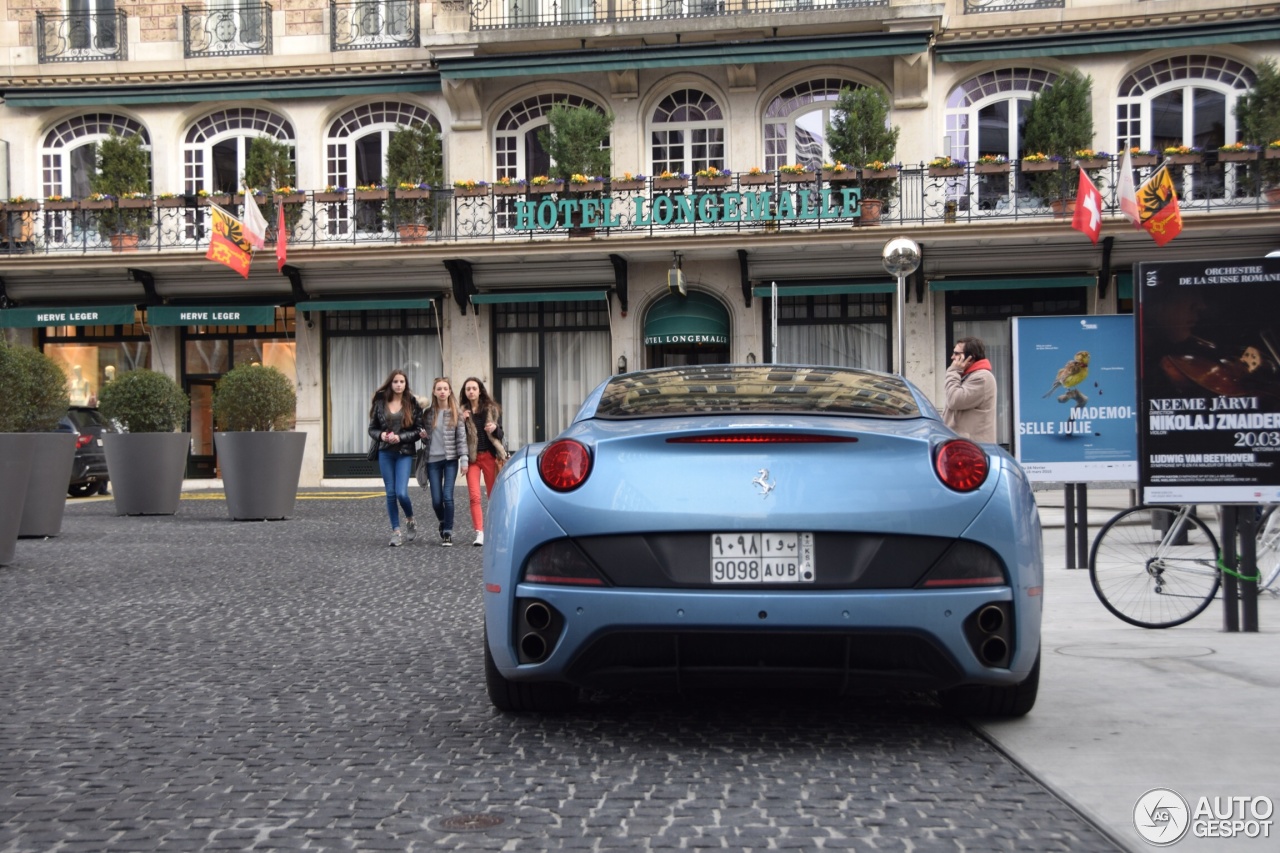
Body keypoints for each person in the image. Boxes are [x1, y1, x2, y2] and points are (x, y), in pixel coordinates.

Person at [368, 369, 425, 547]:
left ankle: (410, 519)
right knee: (391, 494)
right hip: (385, 452)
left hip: (404, 453)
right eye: (395, 382)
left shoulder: (412, 403)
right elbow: (372, 429)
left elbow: (418, 430)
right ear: (390, 384)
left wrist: (401, 437)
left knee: (401, 492)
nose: (399, 385)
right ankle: (396, 531)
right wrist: (383, 436)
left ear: (405, 384)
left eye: (402, 382)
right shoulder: (380, 403)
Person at [423, 377, 469, 546]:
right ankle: (442, 520)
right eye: (439, 389)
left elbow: (461, 438)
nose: (442, 391)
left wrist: (464, 460)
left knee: (447, 497)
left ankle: (448, 532)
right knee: (436, 500)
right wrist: (423, 437)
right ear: (434, 392)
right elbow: (426, 439)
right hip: (432, 461)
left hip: (450, 460)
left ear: (450, 391)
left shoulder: (456, 412)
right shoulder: (428, 414)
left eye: (445, 388)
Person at [460, 377, 504, 547]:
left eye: (474, 388)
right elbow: (458, 437)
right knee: (474, 496)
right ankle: (480, 532)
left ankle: (495, 529)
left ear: (480, 390)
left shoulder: (491, 409)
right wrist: (460, 421)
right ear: (465, 392)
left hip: (490, 457)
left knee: (493, 495)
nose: (471, 391)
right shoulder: (462, 412)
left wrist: (495, 428)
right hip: (472, 459)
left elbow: (501, 434)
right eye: (468, 389)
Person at [943, 336, 997, 443]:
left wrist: (953, 371)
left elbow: (954, 400)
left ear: (970, 357)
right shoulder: (967, 375)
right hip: (962, 444)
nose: (952, 357)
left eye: (957, 353)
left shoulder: (982, 378)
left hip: (973, 447)